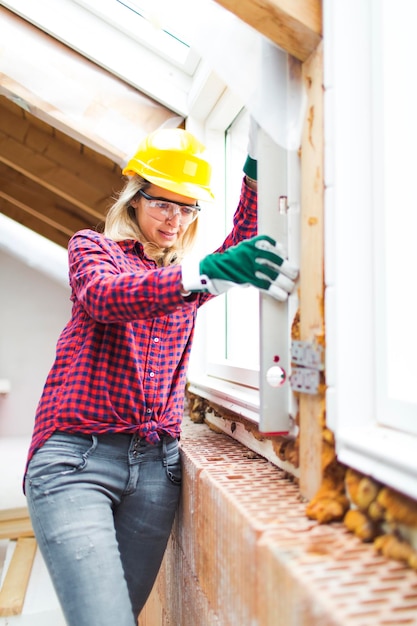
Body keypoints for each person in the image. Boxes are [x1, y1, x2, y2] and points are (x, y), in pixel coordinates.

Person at [24, 127, 298, 626]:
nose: (176, 219)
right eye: (163, 204)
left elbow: (244, 241)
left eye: (188, 207)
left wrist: (257, 157)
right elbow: (108, 298)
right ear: (134, 199)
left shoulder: (184, 280)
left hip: (156, 470)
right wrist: (201, 275)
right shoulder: (92, 250)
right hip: (76, 459)